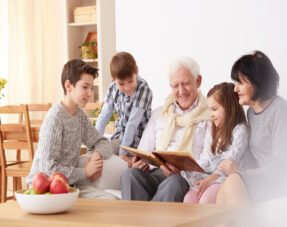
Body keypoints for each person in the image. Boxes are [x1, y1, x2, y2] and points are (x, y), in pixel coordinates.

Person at [121, 56, 211, 202]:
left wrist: (183, 173)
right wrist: (139, 164)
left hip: (184, 178)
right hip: (155, 173)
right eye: (175, 86)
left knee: (175, 181)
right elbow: (145, 151)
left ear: (198, 81)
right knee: (130, 175)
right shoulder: (159, 114)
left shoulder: (210, 115)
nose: (181, 91)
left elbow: (209, 161)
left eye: (186, 83)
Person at [26, 59, 116, 199]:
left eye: (91, 88)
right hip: (44, 189)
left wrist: (96, 154)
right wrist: (85, 172)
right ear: (68, 86)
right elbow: (48, 169)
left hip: (69, 186)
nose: (90, 93)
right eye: (85, 87)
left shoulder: (80, 116)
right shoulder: (55, 117)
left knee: (111, 200)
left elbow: (104, 142)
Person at [216, 51, 287, 207]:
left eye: (240, 83)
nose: (235, 89)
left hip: (280, 177)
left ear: (257, 82)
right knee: (222, 190)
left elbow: (282, 164)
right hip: (262, 177)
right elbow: (257, 159)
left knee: (233, 182)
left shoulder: (280, 110)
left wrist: (238, 174)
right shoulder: (252, 113)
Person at [182, 82, 249, 204]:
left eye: (214, 109)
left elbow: (230, 160)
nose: (211, 115)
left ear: (229, 108)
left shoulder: (241, 130)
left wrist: (209, 180)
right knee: (189, 199)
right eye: (209, 110)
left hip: (228, 177)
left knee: (206, 200)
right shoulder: (219, 134)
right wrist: (188, 167)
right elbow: (212, 161)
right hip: (213, 177)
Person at [96, 51, 152, 166]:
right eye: (121, 84)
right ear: (114, 80)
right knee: (98, 154)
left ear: (136, 71)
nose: (127, 87)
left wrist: (123, 153)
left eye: (130, 81)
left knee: (107, 155)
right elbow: (103, 117)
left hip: (139, 141)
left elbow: (132, 124)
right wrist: (94, 145)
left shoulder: (143, 89)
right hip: (120, 137)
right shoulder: (113, 88)